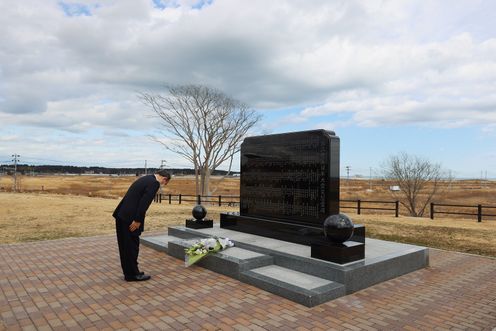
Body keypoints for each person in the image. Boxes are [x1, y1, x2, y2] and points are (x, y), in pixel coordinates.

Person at [113, 170, 171, 281]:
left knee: (125, 246)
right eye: (164, 183)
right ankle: (133, 275)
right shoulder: (154, 183)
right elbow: (144, 203)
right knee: (131, 246)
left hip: (122, 215)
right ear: (164, 179)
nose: (162, 185)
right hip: (131, 219)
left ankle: (130, 272)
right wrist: (137, 220)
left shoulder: (145, 178)